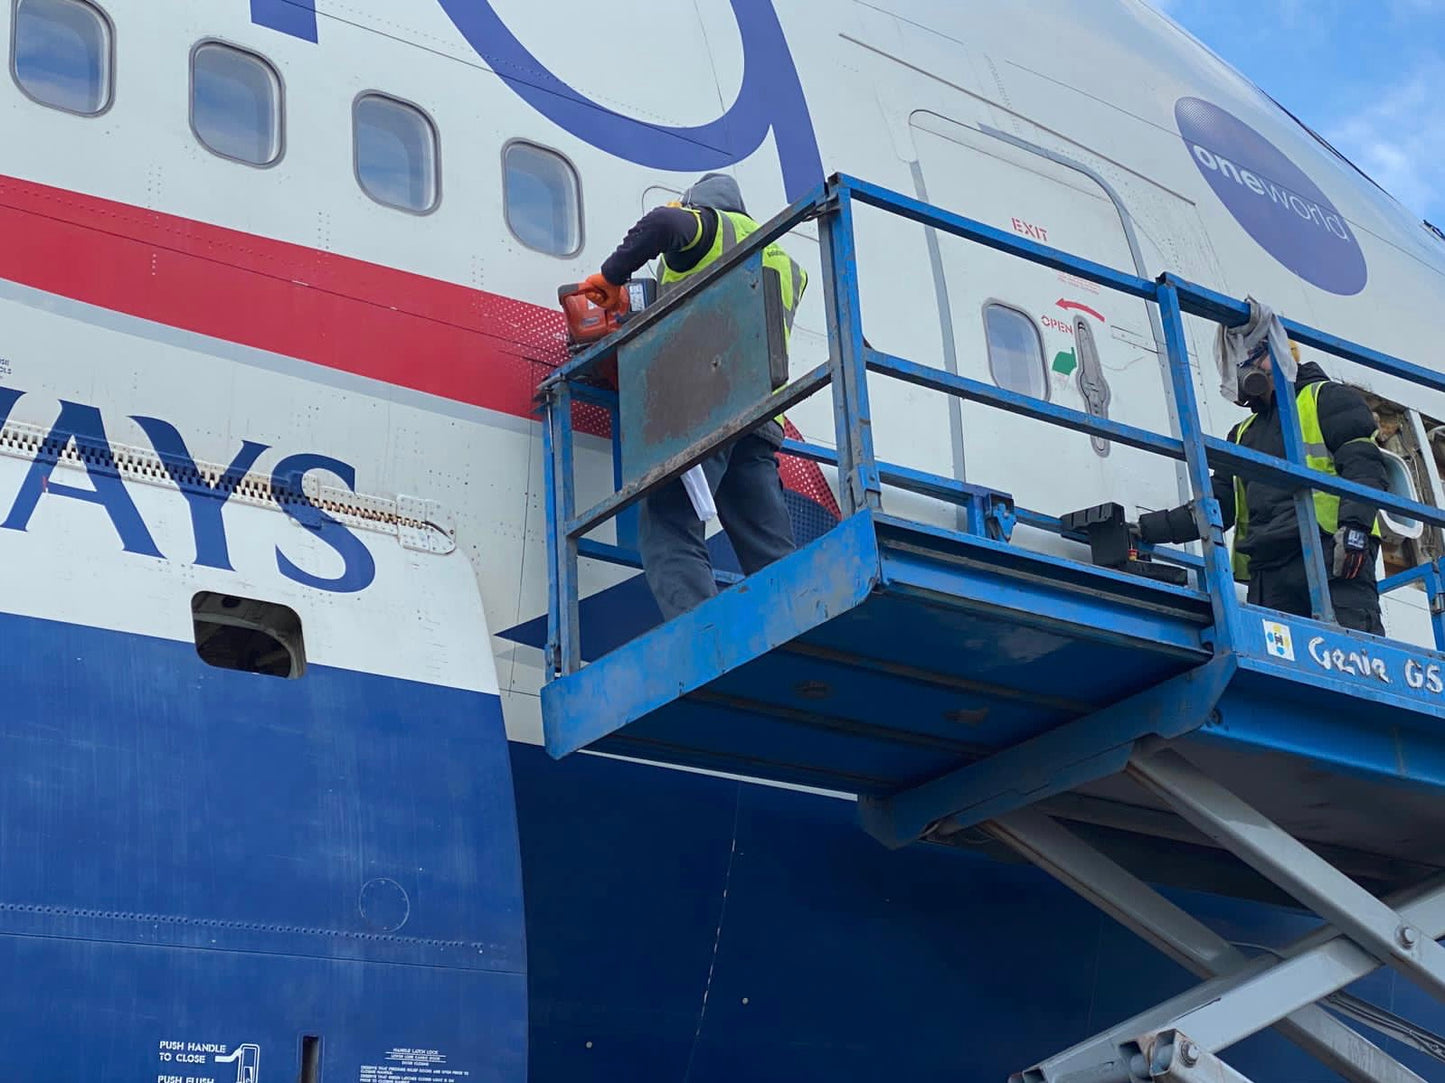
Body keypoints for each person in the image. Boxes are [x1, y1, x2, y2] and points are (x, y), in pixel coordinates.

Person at [581, 173, 808, 620]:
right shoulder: (781, 257)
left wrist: (609, 277)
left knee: (669, 521)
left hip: (711, 399)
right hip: (761, 417)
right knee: (767, 547)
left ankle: (698, 629)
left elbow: (664, 224)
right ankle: (798, 624)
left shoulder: (709, 229)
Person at [1134, 338, 1388, 634]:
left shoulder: (1328, 398)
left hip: (1331, 554)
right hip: (1269, 571)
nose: (1242, 370)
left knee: (1349, 657)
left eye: (1249, 358)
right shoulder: (1242, 435)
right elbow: (1216, 506)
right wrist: (1146, 529)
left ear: (1276, 355)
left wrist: (1355, 530)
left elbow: (1364, 466)